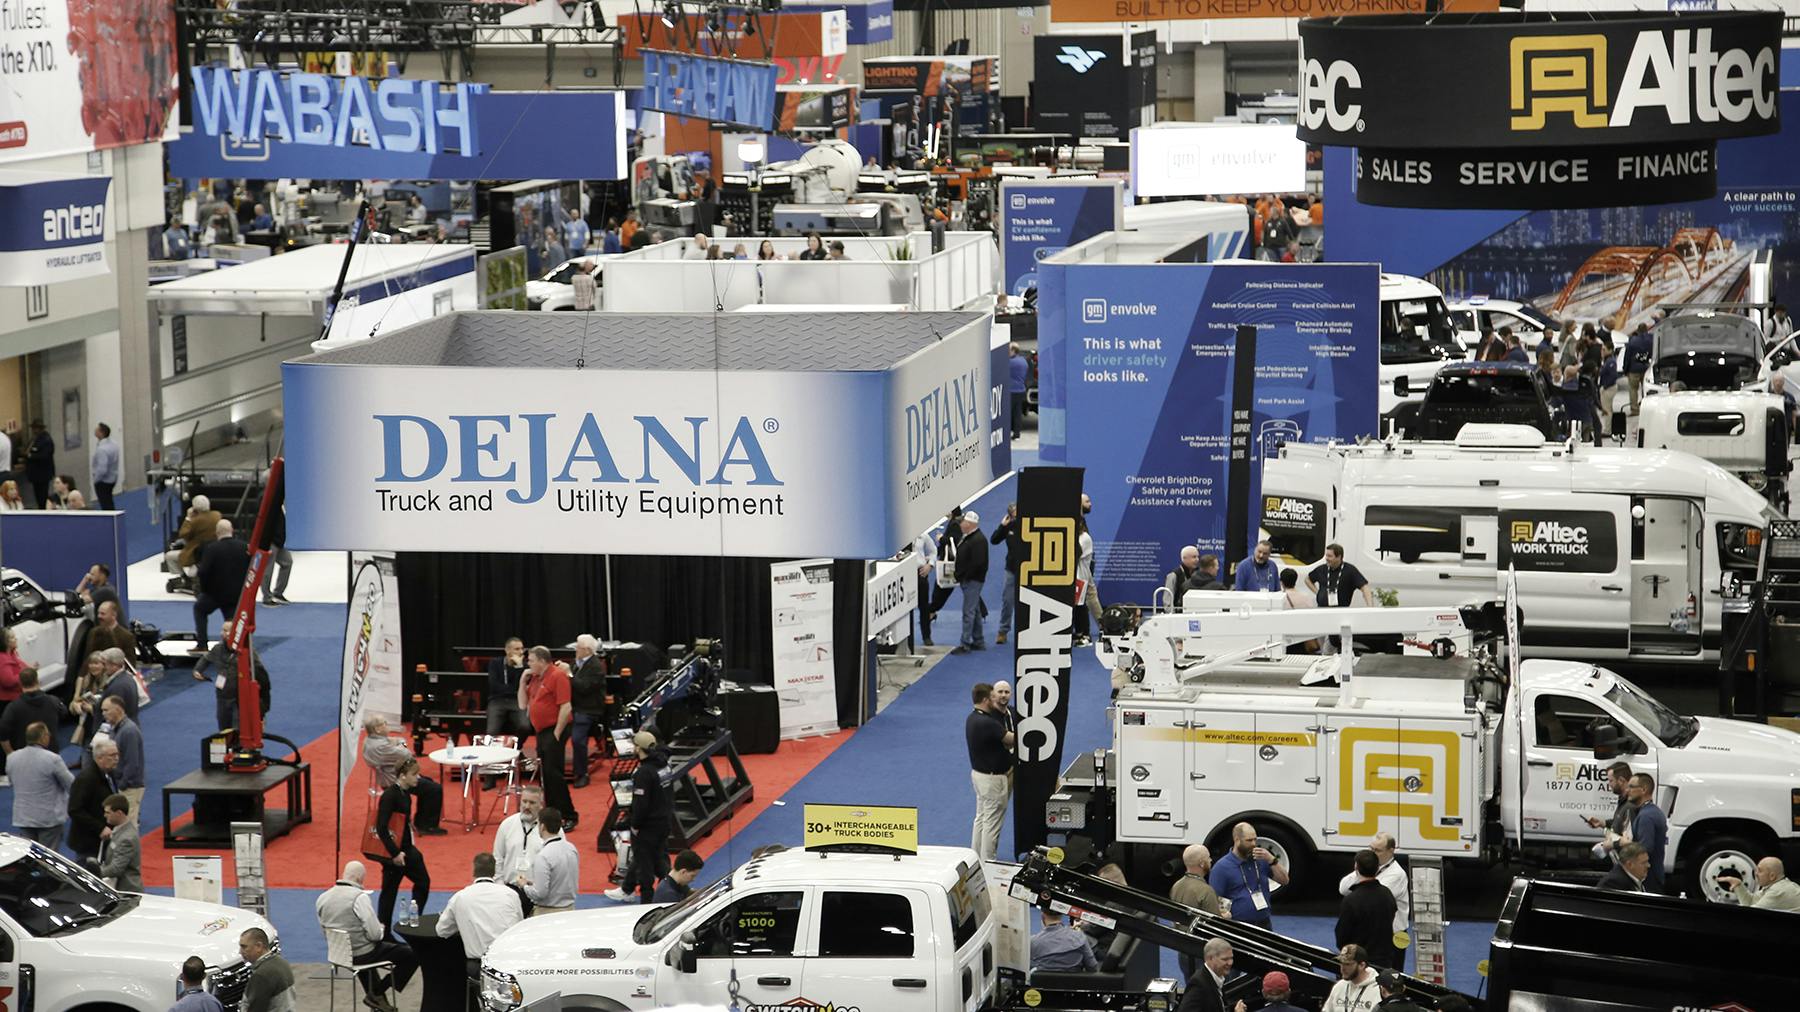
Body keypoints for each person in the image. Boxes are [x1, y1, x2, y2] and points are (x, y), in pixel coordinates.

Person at [317, 859, 418, 1012]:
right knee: (412, 954)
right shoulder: (359, 898)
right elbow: (375, 935)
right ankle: (377, 992)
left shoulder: (322, 898)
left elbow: (324, 929)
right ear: (359, 879)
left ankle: (380, 1005)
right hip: (361, 954)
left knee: (365, 952)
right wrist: (382, 929)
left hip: (339, 953)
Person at [439, 852, 524, 979]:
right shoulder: (510, 894)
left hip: (479, 966)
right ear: (494, 871)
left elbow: (441, 930)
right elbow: (519, 926)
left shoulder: (460, 897)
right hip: (510, 963)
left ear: (474, 871)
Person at [374, 757, 432, 935]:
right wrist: (394, 853)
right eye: (414, 774)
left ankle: (414, 922)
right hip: (396, 852)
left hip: (406, 849)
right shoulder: (390, 796)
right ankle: (385, 932)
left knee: (422, 882)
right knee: (389, 892)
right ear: (403, 775)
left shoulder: (406, 794)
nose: (418, 777)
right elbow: (381, 827)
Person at [522, 645, 578, 827]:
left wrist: (556, 733)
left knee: (554, 774)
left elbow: (566, 706)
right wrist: (522, 681)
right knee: (545, 774)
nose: (528, 663)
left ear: (541, 660)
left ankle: (569, 815)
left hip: (554, 730)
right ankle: (551, 812)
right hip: (542, 731)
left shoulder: (557, 676)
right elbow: (523, 704)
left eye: (530, 660)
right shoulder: (536, 678)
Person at [362, 715, 446, 835]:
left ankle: (422, 821)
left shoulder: (371, 740)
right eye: (384, 723)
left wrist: (399, 743)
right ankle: (427, 826)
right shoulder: (380, 746)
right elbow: (406, 753)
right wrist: (401, 744)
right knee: (434, 789)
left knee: (429, 782)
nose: (387, 725)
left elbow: (399, 742)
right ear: (377, 729)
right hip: (395, 780)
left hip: (396, 774)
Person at [195, 621, 272, 731]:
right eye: (223, 630)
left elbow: (262, 676)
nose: (225, 633)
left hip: (239, 699)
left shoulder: (247, 652)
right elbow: (206, 659)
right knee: (223, 729)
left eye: (228, 630)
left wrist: (262, 710)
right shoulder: (217, 649)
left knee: (238, 730)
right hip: (222, 697)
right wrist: (197, 670)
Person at [966, 682, 1013, 862]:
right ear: (986, 700)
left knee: (981, 818)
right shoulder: (988, 723)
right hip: (993, 780)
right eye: (994, 696)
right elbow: (1012, 739)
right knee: (992, 824)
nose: (997, 699)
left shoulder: (972, 718)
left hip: (979, 776)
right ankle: (988, 863)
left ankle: (975, 858)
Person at [1210, 822, 1288, 929]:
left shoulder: (1261, 859)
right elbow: (1215, 900)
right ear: (1237, 840)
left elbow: (1284, 880)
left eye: (1255, 839)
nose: (1254, 844)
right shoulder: (1222, 868)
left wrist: (1271, 859)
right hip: (1238, 926)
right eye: (1249, 840)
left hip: (1264, 923)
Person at [625, 730, 672, 903]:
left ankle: (646, 901)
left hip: (647, 826)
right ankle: (673, 890)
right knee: (660, 859)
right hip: (664, 821)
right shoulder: (664, 765)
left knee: (644, 864)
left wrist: (634, 825)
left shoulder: (644, 773)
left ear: (639, 748)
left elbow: (641, 804)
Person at [10, 722, 71, 849]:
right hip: (48, 819)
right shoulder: (53, 759)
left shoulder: (12, 758)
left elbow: (12, 782)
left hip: (24, 817)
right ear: (43, 736)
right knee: (48, 860)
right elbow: (70, 784)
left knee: (28, 857)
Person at [1336, 850, 1400, 970]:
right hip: (1383, 962)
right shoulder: (1387, 894)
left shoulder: (1351, 900)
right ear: (1377, 868)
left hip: (1358, 963)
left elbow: (1342, 936)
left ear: (1356, 867)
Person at [1171, 844, 1227, 980]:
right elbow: (1216, 925)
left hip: (1183, 949)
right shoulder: (1205, 891)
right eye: (1208, 858)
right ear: (1202, 864)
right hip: (1202, 951)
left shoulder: (1176, 886)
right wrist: (1225, 916)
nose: (1211, 861)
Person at [1340, 832, 1409, 939]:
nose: (1372, 853)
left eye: (1377, 850)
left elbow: (1372, 899)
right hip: (1372, 932)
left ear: (1391, 851)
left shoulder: (1397, 874)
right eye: (1371, 849)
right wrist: (1359, 872)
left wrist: (1360, 876)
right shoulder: (1369, 866)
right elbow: (1343, 889)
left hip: (1393, 935)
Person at [194, 519, 249, 651]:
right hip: (236, 594)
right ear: (232, 531)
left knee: (199, 609)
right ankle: (235, 646)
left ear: (217, 533)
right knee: (232, 621)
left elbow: (203, 572)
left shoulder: (212, 548)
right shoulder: (244, 546)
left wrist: (204, 590)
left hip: (215, 594)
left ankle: (202, 644)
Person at [494, 785, 546, 912]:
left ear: (541, 805)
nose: (527, 806)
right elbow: (498, 857)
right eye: (524, 801)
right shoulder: (507, 825)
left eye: (532, 802)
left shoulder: (551, 828)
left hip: (537, 893)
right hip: (509, 890)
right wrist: (500, 888)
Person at [67, 739, 120, 862]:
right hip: (88, 842)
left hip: (102, 839)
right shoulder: (86, 779)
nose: (116, 758)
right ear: (99, 758)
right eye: (112, 755)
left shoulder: (109, 773)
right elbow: (75, 810)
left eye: (117, 754)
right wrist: (100, 828)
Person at [0, 668, 65, 761]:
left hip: (24, 756)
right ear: (37, 681)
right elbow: (64, 713)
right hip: (50, 752)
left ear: (20, 683)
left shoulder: (13, 707)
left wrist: (9, 753)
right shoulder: (53, 700)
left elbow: (3, 732)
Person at [567, 635, 606, 788]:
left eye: (578, 647)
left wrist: (568, 674)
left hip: (588, 708)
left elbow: (584, 687)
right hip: (573, 706)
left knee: (577, 739)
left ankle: (582, 773)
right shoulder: (576, 663)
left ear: (587, 650)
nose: (576, 650)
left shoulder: (596, 667)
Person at [525, 807, 579, 916]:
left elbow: (540, 893)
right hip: (570, 910)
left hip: (547, 913)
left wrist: (524, 886)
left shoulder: (543, 856)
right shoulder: (572, 848)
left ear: (542, 826)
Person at [99, 695, 145, 818]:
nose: (103, 713)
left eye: (106, 710)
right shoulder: (116, 728)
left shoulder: (129, 731)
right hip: (121, 783)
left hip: (130, 786)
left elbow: (132, 762)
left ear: (118, 710)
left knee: (128, 823)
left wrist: (123, 784)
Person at [952, 511, 989, 654]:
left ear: (969, 524)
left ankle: (965, 643)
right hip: (971, 579)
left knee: (968, 612)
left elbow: (978, 563)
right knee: (975, 610)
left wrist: (964, 576)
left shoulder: (977, 540)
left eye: (962, 522)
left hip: (972, 580)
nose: (960, 524)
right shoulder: (972, 538)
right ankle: (978, 640)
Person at [167, 494, 222, 584]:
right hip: (213, 549)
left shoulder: (195, 521)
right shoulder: (217, 515)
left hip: (195, 552)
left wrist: (188, 517)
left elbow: (183, 534)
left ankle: (183, 578)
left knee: (169, 556)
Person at [91, 793, 141, 892]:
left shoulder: (127, 838)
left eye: (108, 812)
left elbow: (116, 868)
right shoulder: (120, 831)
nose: (105, 815)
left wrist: (95, 873)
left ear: (119, 813)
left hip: (126, 891)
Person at [1174, 937, 1240, 1012]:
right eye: (1225, 959)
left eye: (1231, 958)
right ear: (1210, 958)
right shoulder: (1198, 984)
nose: (1230, 963)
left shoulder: (1217, 978)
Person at [1585, 761, 1633, 861]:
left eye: (1611, 781)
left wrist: (1610, 844)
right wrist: (1602, 823)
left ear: (1621, 780)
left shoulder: (1631, 806)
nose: (1609, 785)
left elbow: (1629, 838)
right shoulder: (1623, 801)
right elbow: (1620, 823)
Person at [238, 928, 296, 1012]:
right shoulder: (281, 962)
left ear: (258, 946)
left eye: (244, 947)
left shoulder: (261, 975)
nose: (240, 952)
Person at [991, 503, 1024, 645]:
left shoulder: (1027, 524)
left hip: (1027, 570)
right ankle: (1003, 631)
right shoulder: (1009, 526)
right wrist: (1002, 526)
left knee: (1027, 602)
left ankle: (1026, 631)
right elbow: (994, 540)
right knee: (1007, 601)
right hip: (1011, 569)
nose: (1015, 514)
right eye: (1013, 512)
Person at [1628, 773, 1668, 891]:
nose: (1627, 790)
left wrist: (1621, 842)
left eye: (1631, 787)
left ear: (1643, 789)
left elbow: (1645, 847)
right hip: (1655, 875)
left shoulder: (1646, 816)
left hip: (1648, 878)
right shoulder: (1654, 812)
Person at [1029, 908, 1098, 973]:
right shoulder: (1080, 937)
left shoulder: (1033, 941)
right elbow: (1092, 967)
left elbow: (1027, 967)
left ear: (1042, 916)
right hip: (1074, 984)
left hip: (1043, 984)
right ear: (1062, 915)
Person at [1720, 856, 1800, 912]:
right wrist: (1738, 885)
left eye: (1760, 871)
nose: (1756, 874)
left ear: (1772, 876)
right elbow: (1751, 902)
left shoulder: (1778, 891)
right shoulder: (1774, 885)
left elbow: (1753, 913)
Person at [486, 638, 529, 737]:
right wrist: (512, 689)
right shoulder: (495, 663)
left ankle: (515, 748)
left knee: (525, 726)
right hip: (497, 700)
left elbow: (521, 686)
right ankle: (493, 751)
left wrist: (519, 667)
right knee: (491, 731)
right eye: (517, 649)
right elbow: (494, 686)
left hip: (517, 701)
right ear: (507, 650)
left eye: (522, 649)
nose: (521, 652)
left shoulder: (524, 666)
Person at [1309, 544, 1373, 609]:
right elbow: (1307, 580)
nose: (1326, 558)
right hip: (1321, 609)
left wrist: (1370, 607)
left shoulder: (1350, 570)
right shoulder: (1321, 569)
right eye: (1326, 555)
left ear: (1339, 557)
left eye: (1330, 556)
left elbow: (1365, 588)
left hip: (1341, 611)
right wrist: (1317, 592)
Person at [81, 600, 138, 673]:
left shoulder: (127, 637)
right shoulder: (93, 632)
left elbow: (130, 665)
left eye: (103, 614)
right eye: (98, 613)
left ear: (113, 615)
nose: (99, 616)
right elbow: (87, 658)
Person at [1324, 945, 1381, 1012]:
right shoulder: (1339, 986)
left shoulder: (1378, 990)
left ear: (1362, 965)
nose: (1343, 968)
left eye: (1347, 964)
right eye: (1341, 963)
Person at [259, 495, 291, 607]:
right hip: (271, 540)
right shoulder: (268, 500)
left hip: (280, 541)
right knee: (268, 569)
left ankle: (278, 593)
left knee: (287, 562)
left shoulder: (279, 504)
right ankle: (266, 597)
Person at [914, 525, 940, 647]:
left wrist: (930, 565)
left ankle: (927, 636)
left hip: (920, 573)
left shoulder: (921, 534)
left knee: (924, 606)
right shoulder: (897, 534)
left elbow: (933, 550)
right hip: (901, 573)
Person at [23, 420, 53, 508]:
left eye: (35, 428)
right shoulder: (34, 439)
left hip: (42, 474)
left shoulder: (46, 440)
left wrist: (30, 455)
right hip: (35, 475)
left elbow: (44, 456)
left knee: (42, 496)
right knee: (37, 495)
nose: (34, 431)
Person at [1624, 323, 1652, 415]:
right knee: (1646, 388)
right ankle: (1646, 408)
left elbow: (1627, 356)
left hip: (1634, 368)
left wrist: (1625, 369)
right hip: (1646, 367)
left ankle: (1635, 409)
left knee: (1633, 389)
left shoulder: (1632, 341)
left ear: (1638, 330)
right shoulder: (1651, 339)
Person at [89, 423, 119, 510]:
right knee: (109, 501)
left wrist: (96, 480)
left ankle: (110, 521)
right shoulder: (114, 444)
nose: (95, 430)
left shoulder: (102, 450)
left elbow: (102, 469)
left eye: (97, 429)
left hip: (103, 481)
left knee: (105, 504)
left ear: (101, 433)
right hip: (113, 478)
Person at [1008, 343, 1029, 439]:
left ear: (1013, 351)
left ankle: (1007, 431)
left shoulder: (1011, 363)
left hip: (1011, 390)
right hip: (1021, 390)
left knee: (1008, 412)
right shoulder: (1023, 361)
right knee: (1017, 412)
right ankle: (1017, 433)